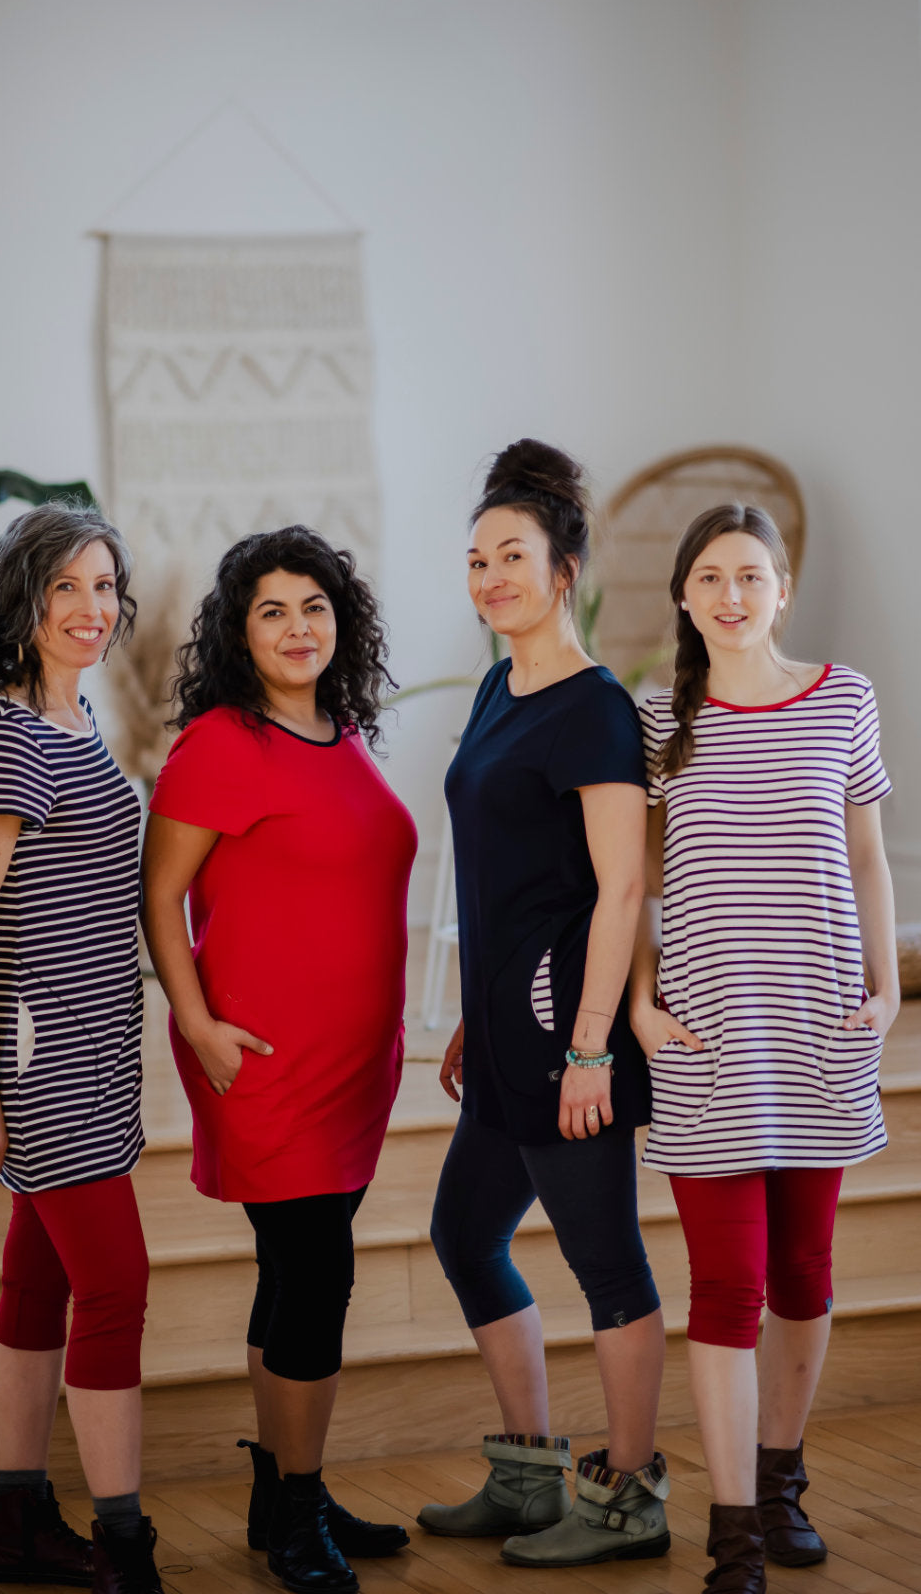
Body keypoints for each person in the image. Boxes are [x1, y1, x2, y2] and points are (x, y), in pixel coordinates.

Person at [140, 525, 417, 1594]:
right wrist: (197, 1022)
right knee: (318, 1277)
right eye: (272, 611)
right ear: (238, 632)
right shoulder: (221, 741)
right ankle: (300, 1512)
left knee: (294, 1272)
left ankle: (282, 1491)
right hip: (262, 1060)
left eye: (314, 606)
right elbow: (159, 895)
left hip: (355, 1064)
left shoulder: (341, 730)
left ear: (341, 621)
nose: (298, 627)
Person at [631, 503, 899, 1594]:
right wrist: (638, 1003)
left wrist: (886, 988)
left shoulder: (844, 697)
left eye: (749, 575)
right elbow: (633, 882)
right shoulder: (658, 718)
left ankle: (781, 1480)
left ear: (782, 590)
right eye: (709, 577)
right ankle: (734, 1532)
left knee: (802, 1275)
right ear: (684, 598)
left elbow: (868, 855)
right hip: (706, 1036)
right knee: (726, 1286)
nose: (730, 594)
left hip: (820, 1026)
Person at [416, 438, 670, 1568]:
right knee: (465, 1234)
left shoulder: (594, 709)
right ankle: (528, 1474)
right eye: (476, 560)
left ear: (565, 569)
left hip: (569, 1037)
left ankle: (629, 1497)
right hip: (504, 1033)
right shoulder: (496, 687)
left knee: (605, 1264)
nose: (489, 578)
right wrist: (478, 1013)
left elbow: (619, 890)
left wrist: (590, 1051)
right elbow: (503, 876)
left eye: (511, 556)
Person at [0, 503, 162, 1594]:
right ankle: (123, 1542)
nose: (90, 607)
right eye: (65, 586)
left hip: (96, 1051)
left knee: (37, 1283)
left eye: (104, 585)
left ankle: (16, 1520)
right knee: (115, 1287)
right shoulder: (7, 736)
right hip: (46, 1065)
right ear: (20, 602)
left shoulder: (71, 719)